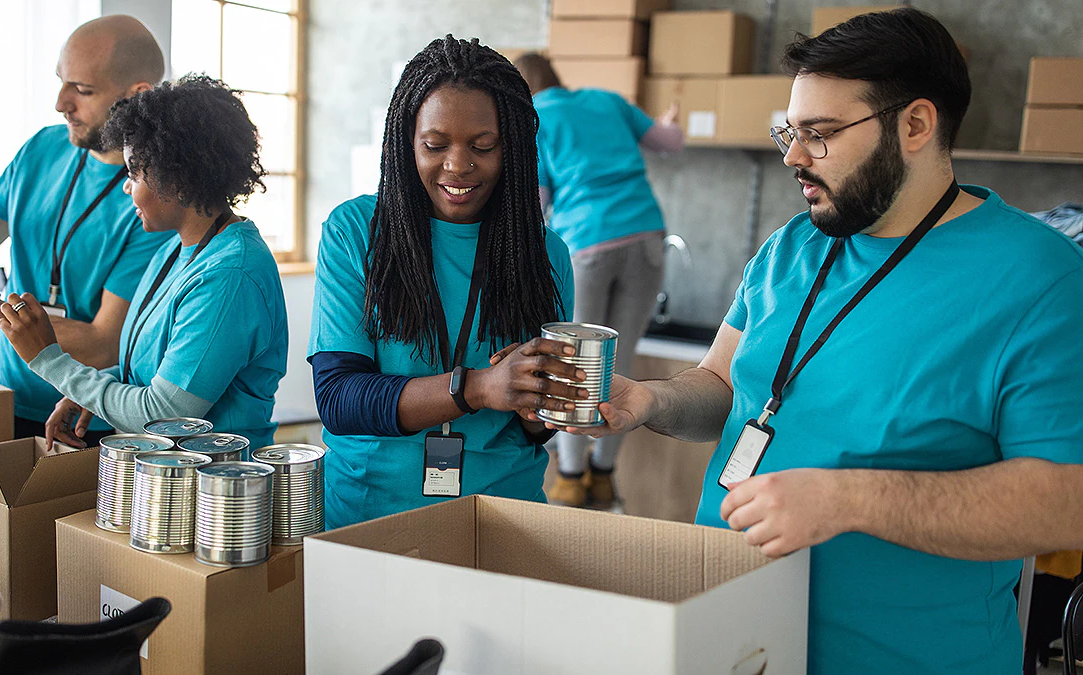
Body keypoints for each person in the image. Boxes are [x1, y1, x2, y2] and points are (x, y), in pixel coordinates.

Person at [545, 8, 1083, 673]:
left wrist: (849, 498)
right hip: (733, 637)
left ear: (915, 125)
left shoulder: (1037, 276)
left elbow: (1066, 501)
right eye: (789, 133)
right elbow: (720, 383)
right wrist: (649, 400)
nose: (794, 157)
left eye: (821, 134)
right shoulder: (790, 246)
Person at [308, 36, 582, 530]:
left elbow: (534, 429)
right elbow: (339, 399)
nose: (457, 166)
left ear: (513, 149)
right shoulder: (354, 231)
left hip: (504, 515)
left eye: (483, 146)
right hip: (369, 513)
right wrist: (475, 388)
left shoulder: (546, 252)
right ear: (404, 141)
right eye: (435, 146)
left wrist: (540, 405)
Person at [0, 15, 171, 445]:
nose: (60, 102)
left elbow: (105, 343)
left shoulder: (153, 201)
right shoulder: (42, 148)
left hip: (81, 419)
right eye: (61, 81)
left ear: (136, 95)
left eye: (82, 90)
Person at [0, 74, 288, 453]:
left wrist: (49, 361)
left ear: (177, 178)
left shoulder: (229, 275)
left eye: (134, 172)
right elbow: (152, 369)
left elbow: (166, 414)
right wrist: (90, 389)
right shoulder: (176, 250)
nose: (126, 186)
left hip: (220, 494)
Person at [514, 53, 684, 509]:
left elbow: (539, 205)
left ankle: (570, 477)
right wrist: (672, 119)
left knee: (570, 362)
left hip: (585, 244)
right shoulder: (608, 101)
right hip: (645, 234)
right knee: (619, 361)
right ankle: (605, 475)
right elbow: (669, 143)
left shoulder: (534, 122)